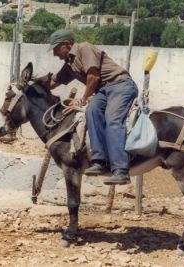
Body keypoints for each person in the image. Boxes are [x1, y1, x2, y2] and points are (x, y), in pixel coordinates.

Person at [45, 29, 138, 185]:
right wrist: (29, 83)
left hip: (120, 84)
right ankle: (100, 161)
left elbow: (93, 76)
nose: (55, 54)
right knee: (92, 111)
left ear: (67, 44)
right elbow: (53, 82)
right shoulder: (69, 65)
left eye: (56, 49)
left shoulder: (84, 48)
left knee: (113, 120)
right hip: (103, 91)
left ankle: (121, 170)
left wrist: (83, 99)